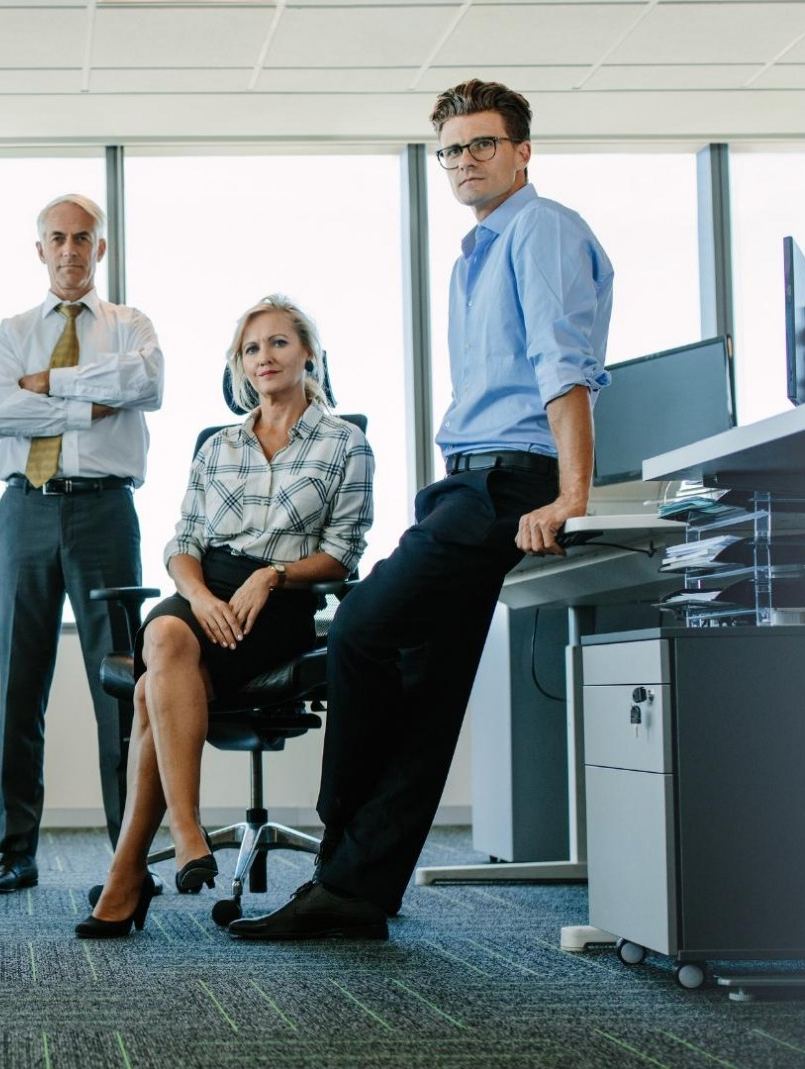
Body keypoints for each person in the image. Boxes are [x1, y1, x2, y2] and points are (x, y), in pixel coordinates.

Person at [229, 79, 612, 941]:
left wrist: (571, 495)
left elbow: (565, 364)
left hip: (507, 480)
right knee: (427, 688)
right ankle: (359, 890)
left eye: (482, 144)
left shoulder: (540, 228)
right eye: (452, 150)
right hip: (469, 477)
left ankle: (338, 841)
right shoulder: (477, 251)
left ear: (521, 151)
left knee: (363, 624)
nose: (465, 161)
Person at [79, 295, 372, 937]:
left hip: (281, 600)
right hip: (204, 590)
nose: (263, 358)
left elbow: (343, 554)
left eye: (277, 343)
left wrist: (272, 575)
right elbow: (181, 543)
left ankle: (129, 875)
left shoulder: (343, 443)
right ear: (239, 367)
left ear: (309, 353)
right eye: (250, 349)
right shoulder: (219, 447)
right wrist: (205, 597)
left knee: (155, 685)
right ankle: (187, 830)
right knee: (165, 631)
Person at [0, 193, 164, 895]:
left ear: (100, 248)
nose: (70, 250)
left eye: (83, 238)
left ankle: (128, 854)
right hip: (25, 509)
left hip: (104, 513)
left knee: (118, 686)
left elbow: (145, 382)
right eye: (57, 238)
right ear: (40, 249)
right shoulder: (11, 329)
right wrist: (91, 399)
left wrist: (49, 385)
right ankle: (14, 849)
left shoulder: (130, 324)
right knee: (20, 685)